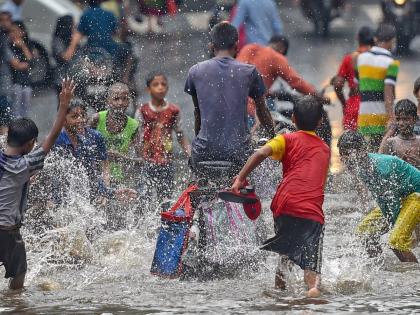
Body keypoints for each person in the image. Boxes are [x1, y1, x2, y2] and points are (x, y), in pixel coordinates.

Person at [231, 96, 330, 297]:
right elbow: (320, 184)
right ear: (320, 121)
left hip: (284, 205)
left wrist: (240, 178)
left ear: (293, 119)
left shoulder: (286, 139)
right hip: (310, 211)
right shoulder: (325, 150)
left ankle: (279, 294)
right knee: (310, 265)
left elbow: (260, 153)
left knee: (285, 253)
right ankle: (312, 291)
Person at [0, 79, 74, 290]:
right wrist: (64, 104)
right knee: (20, 274)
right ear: (30, 143)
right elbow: (52, 136)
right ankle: (15, 305)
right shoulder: (25, 164)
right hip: (7, 231)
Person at [185, 22, 274, 173]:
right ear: (237, 45)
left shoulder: (195, 71)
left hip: (203, 154)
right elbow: (262, 111)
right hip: (238, 155)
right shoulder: (249, 72)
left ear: (212, 46)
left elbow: (197, 113)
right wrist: (273, 136)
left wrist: (200, 145)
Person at [338, 131, 420, 263]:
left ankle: (413, 274)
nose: (345, 159)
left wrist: (398, 228)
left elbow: (393, 203)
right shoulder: (362, 166)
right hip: (401, 198)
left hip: (416, 195)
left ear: (363, 151)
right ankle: (379, 266)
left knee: (396, 241)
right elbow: (382, 200)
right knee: (364, 232)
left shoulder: (382, 168)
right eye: (343, 155)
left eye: (349, 154)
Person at [136, 71, 190, 201]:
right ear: (148, 89)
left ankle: (164, 220)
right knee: (145, 197)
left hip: (167, 161)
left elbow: (180, 134)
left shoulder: (173, 110)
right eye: (156, 84)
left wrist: (189, 153)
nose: (160, 87)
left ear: (167, 88)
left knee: (165, 197)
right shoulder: (142, 110)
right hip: (147, 160)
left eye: (163, 84)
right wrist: (138, 156)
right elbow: (137, 135)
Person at [356, 24, 399, 151]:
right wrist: (391, 118)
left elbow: (359, 85)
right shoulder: (391, 62)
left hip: (364, 117)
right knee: (380, 155)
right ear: (392, 41)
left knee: (365, 154)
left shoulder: (361, 58)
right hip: (381, 117)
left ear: (375, 39)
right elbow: (388, 91)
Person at [90, 82, 140, 185]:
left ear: (129, 101)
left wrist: (122, 158)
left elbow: (141, 160)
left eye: (125, 99)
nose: (120, 103)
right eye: (116, 99)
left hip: (120, 181)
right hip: (96, 177)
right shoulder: (96, 119)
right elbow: (82, 148)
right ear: (107, 101)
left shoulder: (133, 125)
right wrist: (102, 154)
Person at [74, 0, 133, 83]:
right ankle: (125, 79)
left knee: (78, 56)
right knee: (129, 53)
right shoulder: (109, 14)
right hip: (110, 49)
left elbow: (79, 34)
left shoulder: (85, 15)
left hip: (92, 48)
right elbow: (116, 33)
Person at [332, 26, 374, 130]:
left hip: (353, 106)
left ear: (358, 38)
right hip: (373, 106)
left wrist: (344, 104)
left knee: (350, 143)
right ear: (374, 40)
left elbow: (337, 84)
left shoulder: (349, 59)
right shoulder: (377, 59)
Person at [379, 99, 420, 169]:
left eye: (405, 119)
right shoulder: (390, 143)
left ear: (415, 119)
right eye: (398, 119)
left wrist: (418, 163)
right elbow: (382, 168)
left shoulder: (419, 142)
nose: (401, 123)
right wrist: (400, 163)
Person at [8, 22, 32, 118]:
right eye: (12, 31)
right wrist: (22, 65)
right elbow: (15, 64)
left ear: (22, 32)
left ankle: (25, 124)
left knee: (26, 105)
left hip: (26, 81)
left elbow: (31, 61)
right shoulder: (8, 46)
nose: (14, 34)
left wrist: (23, 46)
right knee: (15, 106)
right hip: (13, 81)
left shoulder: (26, 45)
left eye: (16, 31)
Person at [52, 15, 79, 94]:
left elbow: (79, 57)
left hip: (75, 80)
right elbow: (66, 57)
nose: (75, 28)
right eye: (73, 25)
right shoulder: (57, 41)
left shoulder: (72, 40)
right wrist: (74, 42)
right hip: (62, 82)